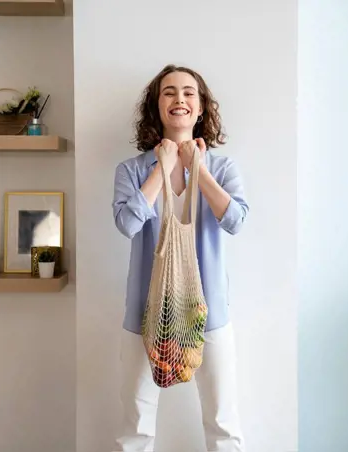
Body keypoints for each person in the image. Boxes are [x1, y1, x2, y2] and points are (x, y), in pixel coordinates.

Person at [111, 64, 249, 452]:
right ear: (157, 107)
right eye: (169, 92)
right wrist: (163, 168)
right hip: (145, 314)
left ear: (201, 106)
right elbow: (127, 224)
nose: (179, 100)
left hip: (210, 314)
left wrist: (197, 169)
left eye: (189, 92)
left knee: (223, 422)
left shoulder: (223, 167)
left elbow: (236, 221)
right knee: (135, 426)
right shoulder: (133, 169)